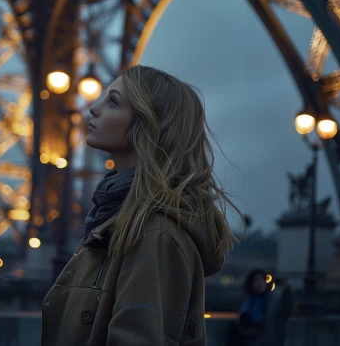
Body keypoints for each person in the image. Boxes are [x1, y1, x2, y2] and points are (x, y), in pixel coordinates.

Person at [41, 65, 245, 346]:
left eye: (113, 101)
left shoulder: (151, 232)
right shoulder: (121, 218)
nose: (93, 108)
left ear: (150, 125)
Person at [228, 270, 294, 346]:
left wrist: (287, 290)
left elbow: (285, 311)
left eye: (262, 280)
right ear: (251, 283)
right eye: (256, 280)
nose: (260, 283)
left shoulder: (273, 302)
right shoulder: (248, 302)